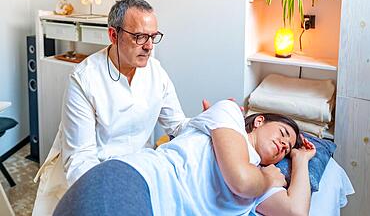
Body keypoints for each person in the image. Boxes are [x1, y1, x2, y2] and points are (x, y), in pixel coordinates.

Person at [33, 0, 190, 215]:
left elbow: (177, 125)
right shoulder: (84, 79)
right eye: (139, 37)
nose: (149, 46)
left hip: (134, 170)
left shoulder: (156, 73)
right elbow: (80, 159)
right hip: (93, 178)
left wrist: (213, 123)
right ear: (113, 35)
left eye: (153, 37)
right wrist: (111, 195)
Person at [53, 100, 316, 216]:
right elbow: (241, 181)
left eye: (287, 147)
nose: (283, 144)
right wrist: (267, 178)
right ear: (258, 121)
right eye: (283, 134)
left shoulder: (262, 175)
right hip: (133, 182)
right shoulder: (229, 115)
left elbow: (295, 211)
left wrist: (300, 159)